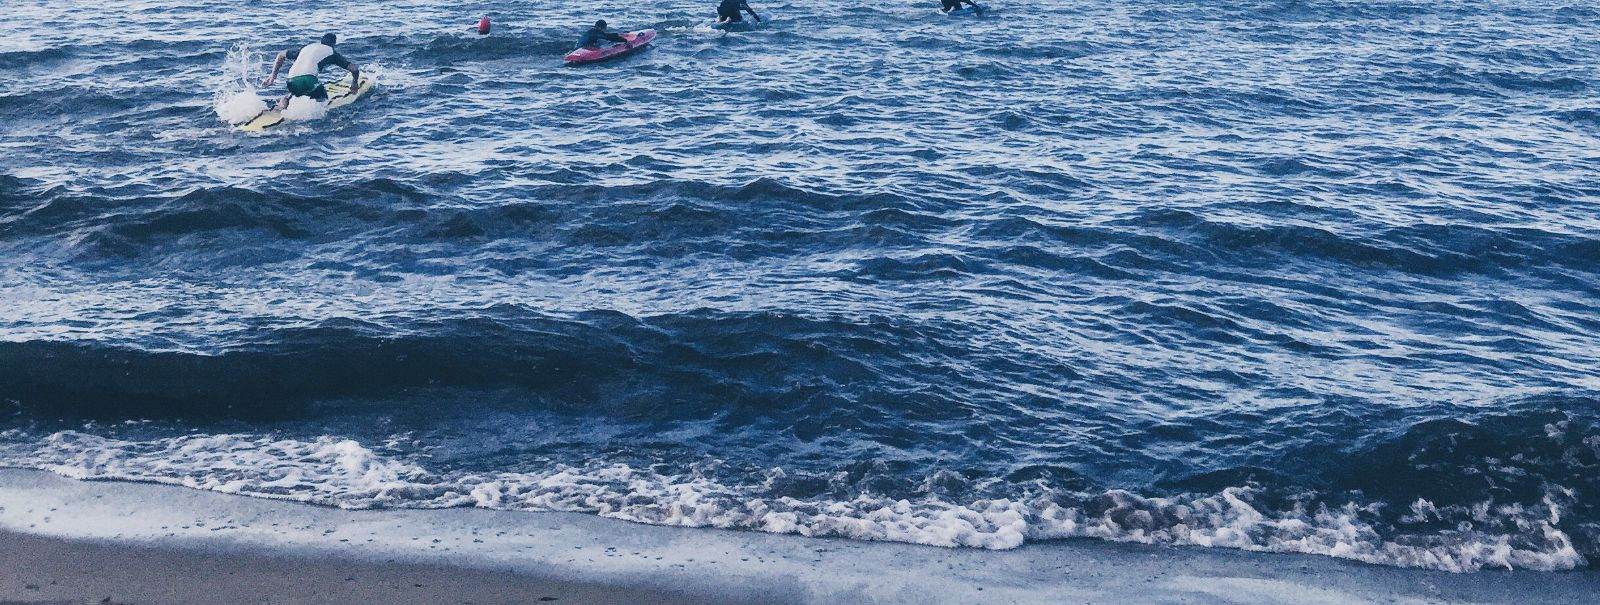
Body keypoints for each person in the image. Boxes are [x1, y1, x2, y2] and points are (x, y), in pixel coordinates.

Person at [262, 33, 360, 110]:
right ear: (333, 44)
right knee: (323, 98)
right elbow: (354, 69)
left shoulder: (306, 48)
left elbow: (280, 55)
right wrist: (354, 83)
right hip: (309, 80)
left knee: (290, 96)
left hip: (290, 81)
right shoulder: (332, 52)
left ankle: (281, 106)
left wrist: (273, 76)